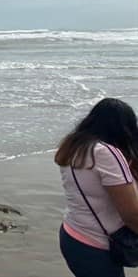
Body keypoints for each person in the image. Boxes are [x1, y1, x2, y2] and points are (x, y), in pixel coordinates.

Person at [55, 98, 138, 277]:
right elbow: (131, 215)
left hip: (72, 235)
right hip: (97, 245)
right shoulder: (107, 153)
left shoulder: (73, 147)